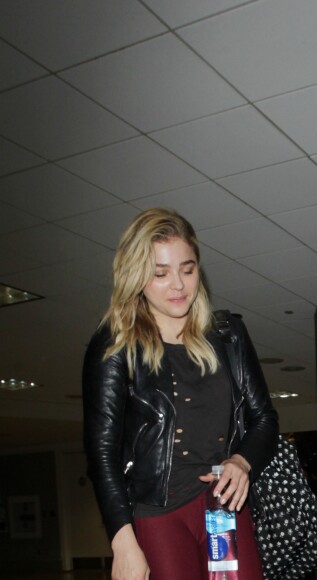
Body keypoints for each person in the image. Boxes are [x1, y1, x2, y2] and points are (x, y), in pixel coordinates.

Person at [82, 207, 278, 580]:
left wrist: (242, 462)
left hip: (224, 511)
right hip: (159, 515)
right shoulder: (116, 346)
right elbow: (101, 452)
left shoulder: (228, 335)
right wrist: (122, 542)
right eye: (160, 273)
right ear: (137, 276)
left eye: (187, 270)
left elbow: (264, 418)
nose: (178, 285)